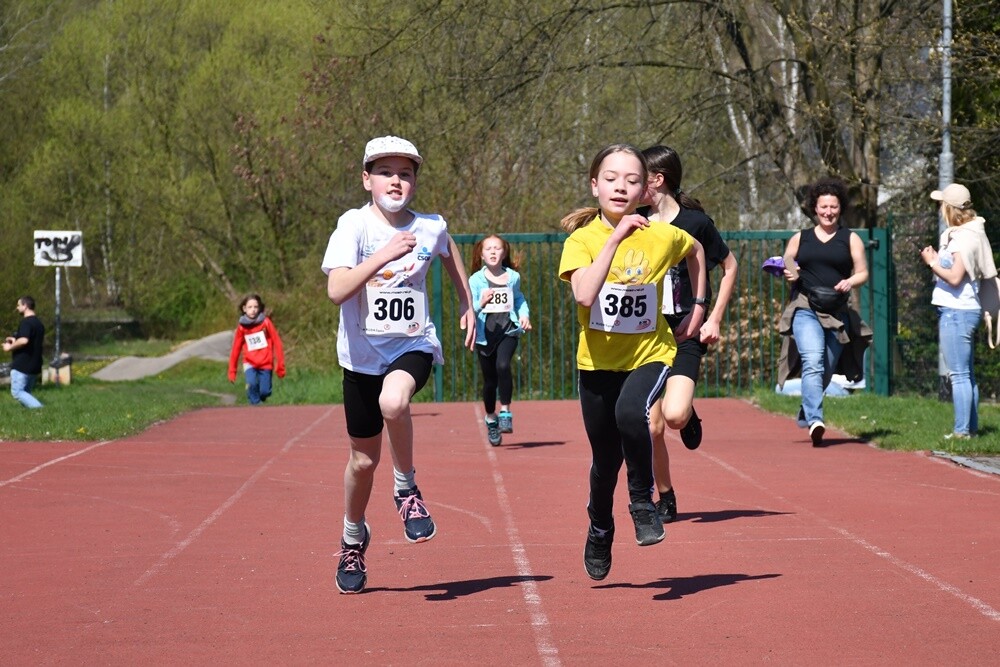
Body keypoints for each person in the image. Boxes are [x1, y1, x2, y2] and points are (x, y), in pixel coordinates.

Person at [322, 135, 475, 594]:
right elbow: (336, 290)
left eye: (405, 173)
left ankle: (406, 489)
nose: (396, 180)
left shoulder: (430, 226)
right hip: (361, 359)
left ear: (415, 182)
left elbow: (448, 252)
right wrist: (384, 255)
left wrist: (467, 302)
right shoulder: (353, 226)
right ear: (367, 179)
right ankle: (353, 537)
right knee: (362, 461)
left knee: (395, 401)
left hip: (412, 347)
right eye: (386, 172)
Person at [558, 143, 706, 581]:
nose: (621, 186)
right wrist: (617, 237)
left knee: (632, 414)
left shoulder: (663, 236)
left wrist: (697, 306)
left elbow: (696, 251)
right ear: (594, 185)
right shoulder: (581, 241)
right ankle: (600, 527)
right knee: (604, 463)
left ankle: (642, 502)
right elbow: (585, 295)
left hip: (652, 351)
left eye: (632, 180)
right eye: (611, 178)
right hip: (598, 363)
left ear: (645, 189)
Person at [640, 145, 738, 523]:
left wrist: (713, 319)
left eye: (637, 179)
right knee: (652, 425)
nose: (630, 186)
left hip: (686, 330)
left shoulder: (696, 223)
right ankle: (665, 495)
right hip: (646, 335)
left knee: (675, 416)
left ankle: (689, 413)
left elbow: (730, 267)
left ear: (658, 180)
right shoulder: (635, 221)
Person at [778, 177, 870, 446]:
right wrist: (790, 274)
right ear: (814, 209)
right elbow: (787, 261)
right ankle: (816, 419)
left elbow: (862, 271)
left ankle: (807, 408)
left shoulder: (850, 238)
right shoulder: (801, 238)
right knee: (813, 360)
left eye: (833, 207)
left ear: (840, 208)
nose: (828, 212)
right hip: (806, 307)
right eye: (823, 207)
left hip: (837, 312)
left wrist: (850, 281)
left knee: (826, 369)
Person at [919, 183, 994, 440]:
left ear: (950, 208)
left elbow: (954, 277)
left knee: (959, 375)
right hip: (963, 310)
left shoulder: (963, 237)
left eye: (942, 204)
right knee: (967, 374)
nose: (940, 209)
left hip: (956, 311)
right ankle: (970, 429)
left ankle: (962, 431)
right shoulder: (969, 232)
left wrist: (931, 263)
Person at [469, 234, 532, 446]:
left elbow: (519, 299)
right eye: (489, 248)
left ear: (504, 253)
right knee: (490, 381)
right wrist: (481, 302)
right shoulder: (476, 280)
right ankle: (491, 417)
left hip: (508, 330)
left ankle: (505, 410)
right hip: (485, 336)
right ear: (481, 254)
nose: (493, 252)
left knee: (503, 365)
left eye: (497, 248)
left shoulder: (513, 277)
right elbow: (470, 309)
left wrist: (524, 315)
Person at [227, 293, 286, 405]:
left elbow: (277, 342)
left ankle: (259, 398)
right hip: (249, 363)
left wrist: (280, 366)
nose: (253, 310)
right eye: (250, 307)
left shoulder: (266, 323)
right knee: (252, 383)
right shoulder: (242, 327)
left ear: (259, 308)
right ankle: (255, 406)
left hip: (265, 363)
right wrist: (232, 371)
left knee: (265, 392)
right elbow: (236, 349)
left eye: (255, 307)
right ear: (244, 309)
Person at [3, 296, 46, 409]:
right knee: (26, 393)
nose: (17, 308)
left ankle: (41, 410)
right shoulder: (39, 324)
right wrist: (14, 340)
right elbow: (30, 341)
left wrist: (10, 347)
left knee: (17, 392)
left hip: (22, 365)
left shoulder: (26, 323)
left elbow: (24, 340)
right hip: (34, 365)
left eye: (18, 305)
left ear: (25, 306)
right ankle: (33, 416)